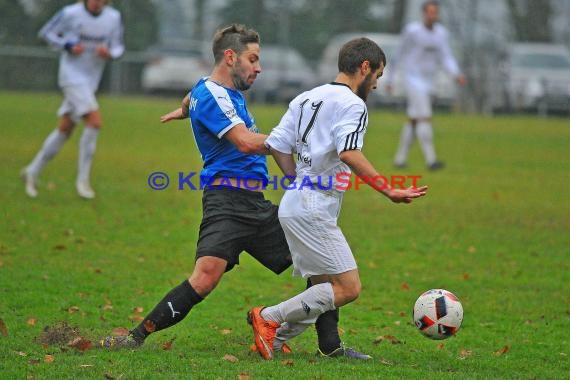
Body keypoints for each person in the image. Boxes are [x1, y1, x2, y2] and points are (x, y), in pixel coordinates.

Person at [100, 24, 370, 360]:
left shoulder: (216, 93)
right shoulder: (214, 94)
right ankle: (135, 338)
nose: (258, 68)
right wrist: (298, 142)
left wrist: (185, 110)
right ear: (230, 57)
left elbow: (192, 96)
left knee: (323, 266)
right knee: (204, 279)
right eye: (253, 59)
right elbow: (244, 142)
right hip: (226, 204)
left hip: (256, 205)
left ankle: (331, 346)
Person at [247, 37, 428, 361]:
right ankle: (268, 318)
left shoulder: (306, 97)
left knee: (324, 286)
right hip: (314, 206)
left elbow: (276, 144)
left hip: (296, 203)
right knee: (347, 288)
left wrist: (296, 180)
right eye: (378, 75)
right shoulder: (353, 104)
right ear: (364, 68)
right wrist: (388, 189)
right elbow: (349, 152)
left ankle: (275, 338)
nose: (376, 85)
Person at [21, 0, 124, 199]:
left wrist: (109, 53)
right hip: (71, 77)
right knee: (94, 122)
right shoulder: (70, 13)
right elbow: (46, 32)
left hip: (91, 80)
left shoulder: (114, 17)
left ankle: (32, 171)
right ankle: (83, 181)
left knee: (65, 129)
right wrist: (66, 44)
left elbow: (119, 47)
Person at [385, 0, 466, 171]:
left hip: (429, 80)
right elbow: (399, 54)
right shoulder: (412, 31)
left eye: (435, 12)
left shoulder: (441, 33)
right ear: (423, 13)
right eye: (430, 12)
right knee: (424, 116)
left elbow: (446, 56)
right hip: (412, 78)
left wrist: (456, 74)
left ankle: (400, 160)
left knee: (414, 119)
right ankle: (431, 160)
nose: (433, 16)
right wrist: (390, 79)